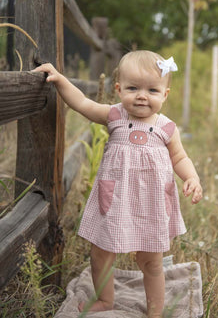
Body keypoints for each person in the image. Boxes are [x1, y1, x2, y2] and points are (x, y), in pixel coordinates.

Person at [33, 50, 203, 318]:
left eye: (152, 90)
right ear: (118, 88)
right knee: (101, 253)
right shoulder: (115, 115)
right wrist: (60, 80)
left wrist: (192, 177)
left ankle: (156, 311)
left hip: (152, 204)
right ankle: (105, 300)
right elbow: (82, 103)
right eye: (133, 88)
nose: (142, 95)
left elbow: (180, 157)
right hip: (114, 200)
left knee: (151, 262)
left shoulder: (166, 128)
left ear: (165, 95)